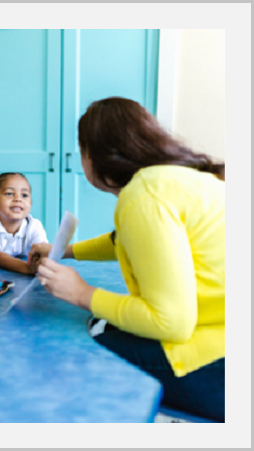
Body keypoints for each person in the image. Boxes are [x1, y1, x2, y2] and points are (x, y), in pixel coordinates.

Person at [30, 97, 225, 422]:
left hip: (216, 359)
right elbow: (127, 239)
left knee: (71, 351)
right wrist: (67, 250)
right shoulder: (178, 179)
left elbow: (171, 322)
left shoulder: (142, 195)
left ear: (92, 154)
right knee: (106, 327)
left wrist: (80, 293)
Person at [0, 172, 49, 274]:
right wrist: (28, 269)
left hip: (25, 281)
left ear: (30, 204)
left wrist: (40, 260)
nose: (18, 199)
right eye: (9, 193)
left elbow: (41, 249)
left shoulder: (34, 225)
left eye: (24, 195)